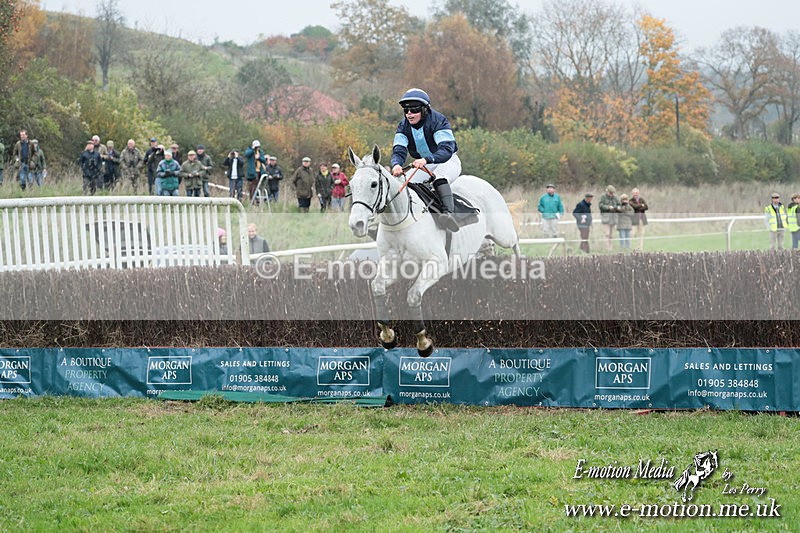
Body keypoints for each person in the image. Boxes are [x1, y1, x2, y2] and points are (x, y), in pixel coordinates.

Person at [390, 88, 460, 232]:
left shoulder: (438, 121)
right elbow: (399, 150)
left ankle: (448, 215)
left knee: (439, 178)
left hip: (447, 161)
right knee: (402, 183)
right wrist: (396, 164)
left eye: (414, 109)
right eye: (406, 110)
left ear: (425, 109)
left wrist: (427, 159)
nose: (409, 114)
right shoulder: (403, 126)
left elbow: (446, 150)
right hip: (423, 164)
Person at [599, 185, 621, 250]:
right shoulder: (603, 197)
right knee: (607, 234)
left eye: (612, 193)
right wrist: (608, 207)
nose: (611, 194)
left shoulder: (615, 197)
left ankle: (611, 247)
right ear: (607, 191)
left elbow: (619, 204)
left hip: (613, 218)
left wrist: (618, 207)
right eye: (610, 193)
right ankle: (607, 247)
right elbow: (601, 205)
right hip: (606, 218)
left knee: (611, 234)